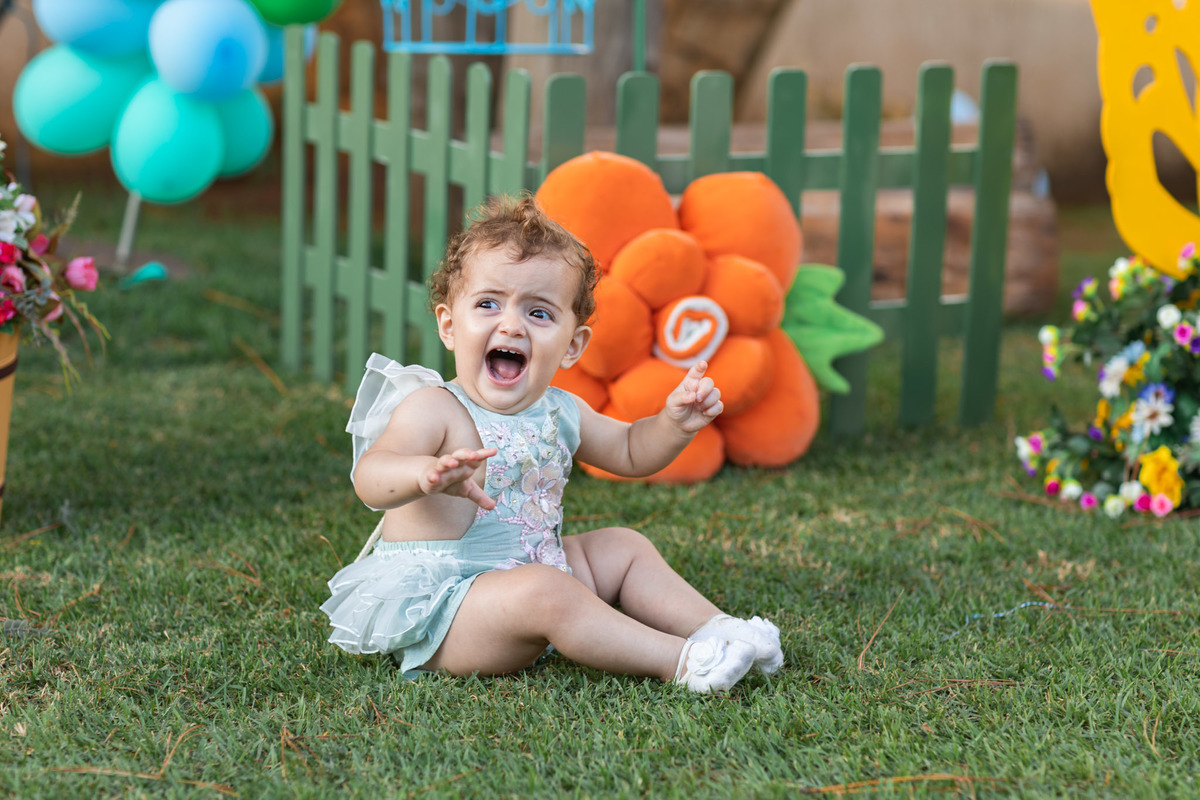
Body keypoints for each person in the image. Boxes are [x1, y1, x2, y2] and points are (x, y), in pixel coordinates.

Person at [321, 195, 782, 693]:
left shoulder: (561, 410)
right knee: (545, 591)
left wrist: (673, 425)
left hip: (539, 573)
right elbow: (371, 476)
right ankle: (686, 663)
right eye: (488, 304)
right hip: (450, 611)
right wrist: (421, 475)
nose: (511, 324)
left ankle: (719, 628)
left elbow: (631, 450)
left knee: (623, 547)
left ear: (572, 345)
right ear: (449, 326)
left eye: (539, 312)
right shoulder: (435, 407)